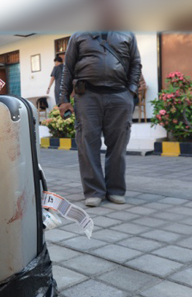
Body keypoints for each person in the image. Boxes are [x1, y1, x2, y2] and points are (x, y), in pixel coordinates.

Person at [58, 32, 142, 207]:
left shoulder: (127, 34)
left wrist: (131, 91)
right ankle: (94, 191)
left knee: (118, 145)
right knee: (87, 144)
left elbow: (135, 63)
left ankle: (115, 190)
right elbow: (69, 67)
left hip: (119, 95)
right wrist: (63, 99)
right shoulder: (79, 35)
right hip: (88, 96)